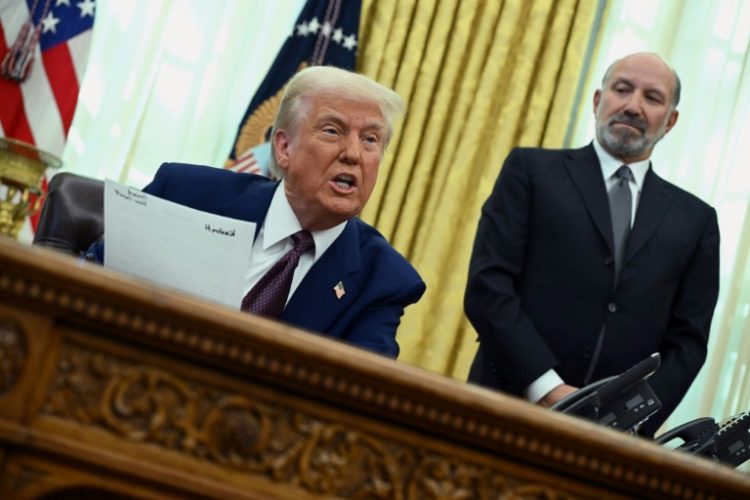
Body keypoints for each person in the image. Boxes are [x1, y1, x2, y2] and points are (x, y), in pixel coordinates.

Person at [88, 66, 426, 358]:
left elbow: (357, 397)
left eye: (370, 140)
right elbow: (87, 285)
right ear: (283, 148)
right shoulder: (185, 193)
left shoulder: (382, 280)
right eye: (332, 131)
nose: (353, 153)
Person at [464, 52, 719, 436]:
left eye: (652, 98)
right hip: (504, 410)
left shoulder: (696, 220)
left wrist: (629, 416)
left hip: (613, 442)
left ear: (671, 121)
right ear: (598, 101)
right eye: (622, 89)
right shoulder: (530, 172)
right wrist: (549, 390)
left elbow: (688, 344)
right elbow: (489, 286)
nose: (633, 106)